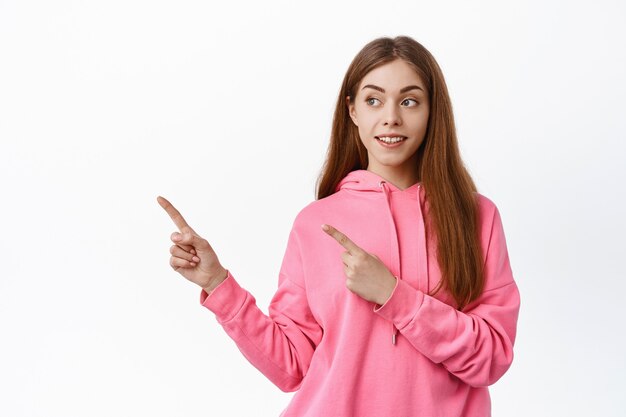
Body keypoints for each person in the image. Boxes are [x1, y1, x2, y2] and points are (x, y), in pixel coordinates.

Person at [157, 35, 521, 417]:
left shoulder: (476, 217)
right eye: (374, 100)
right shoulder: (315, 223)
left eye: (409, 101)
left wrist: (393, 296)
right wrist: (218, 285)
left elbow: (492, 358)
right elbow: (291, 367)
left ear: (432, 111)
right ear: (353, 111)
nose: (391, 116)